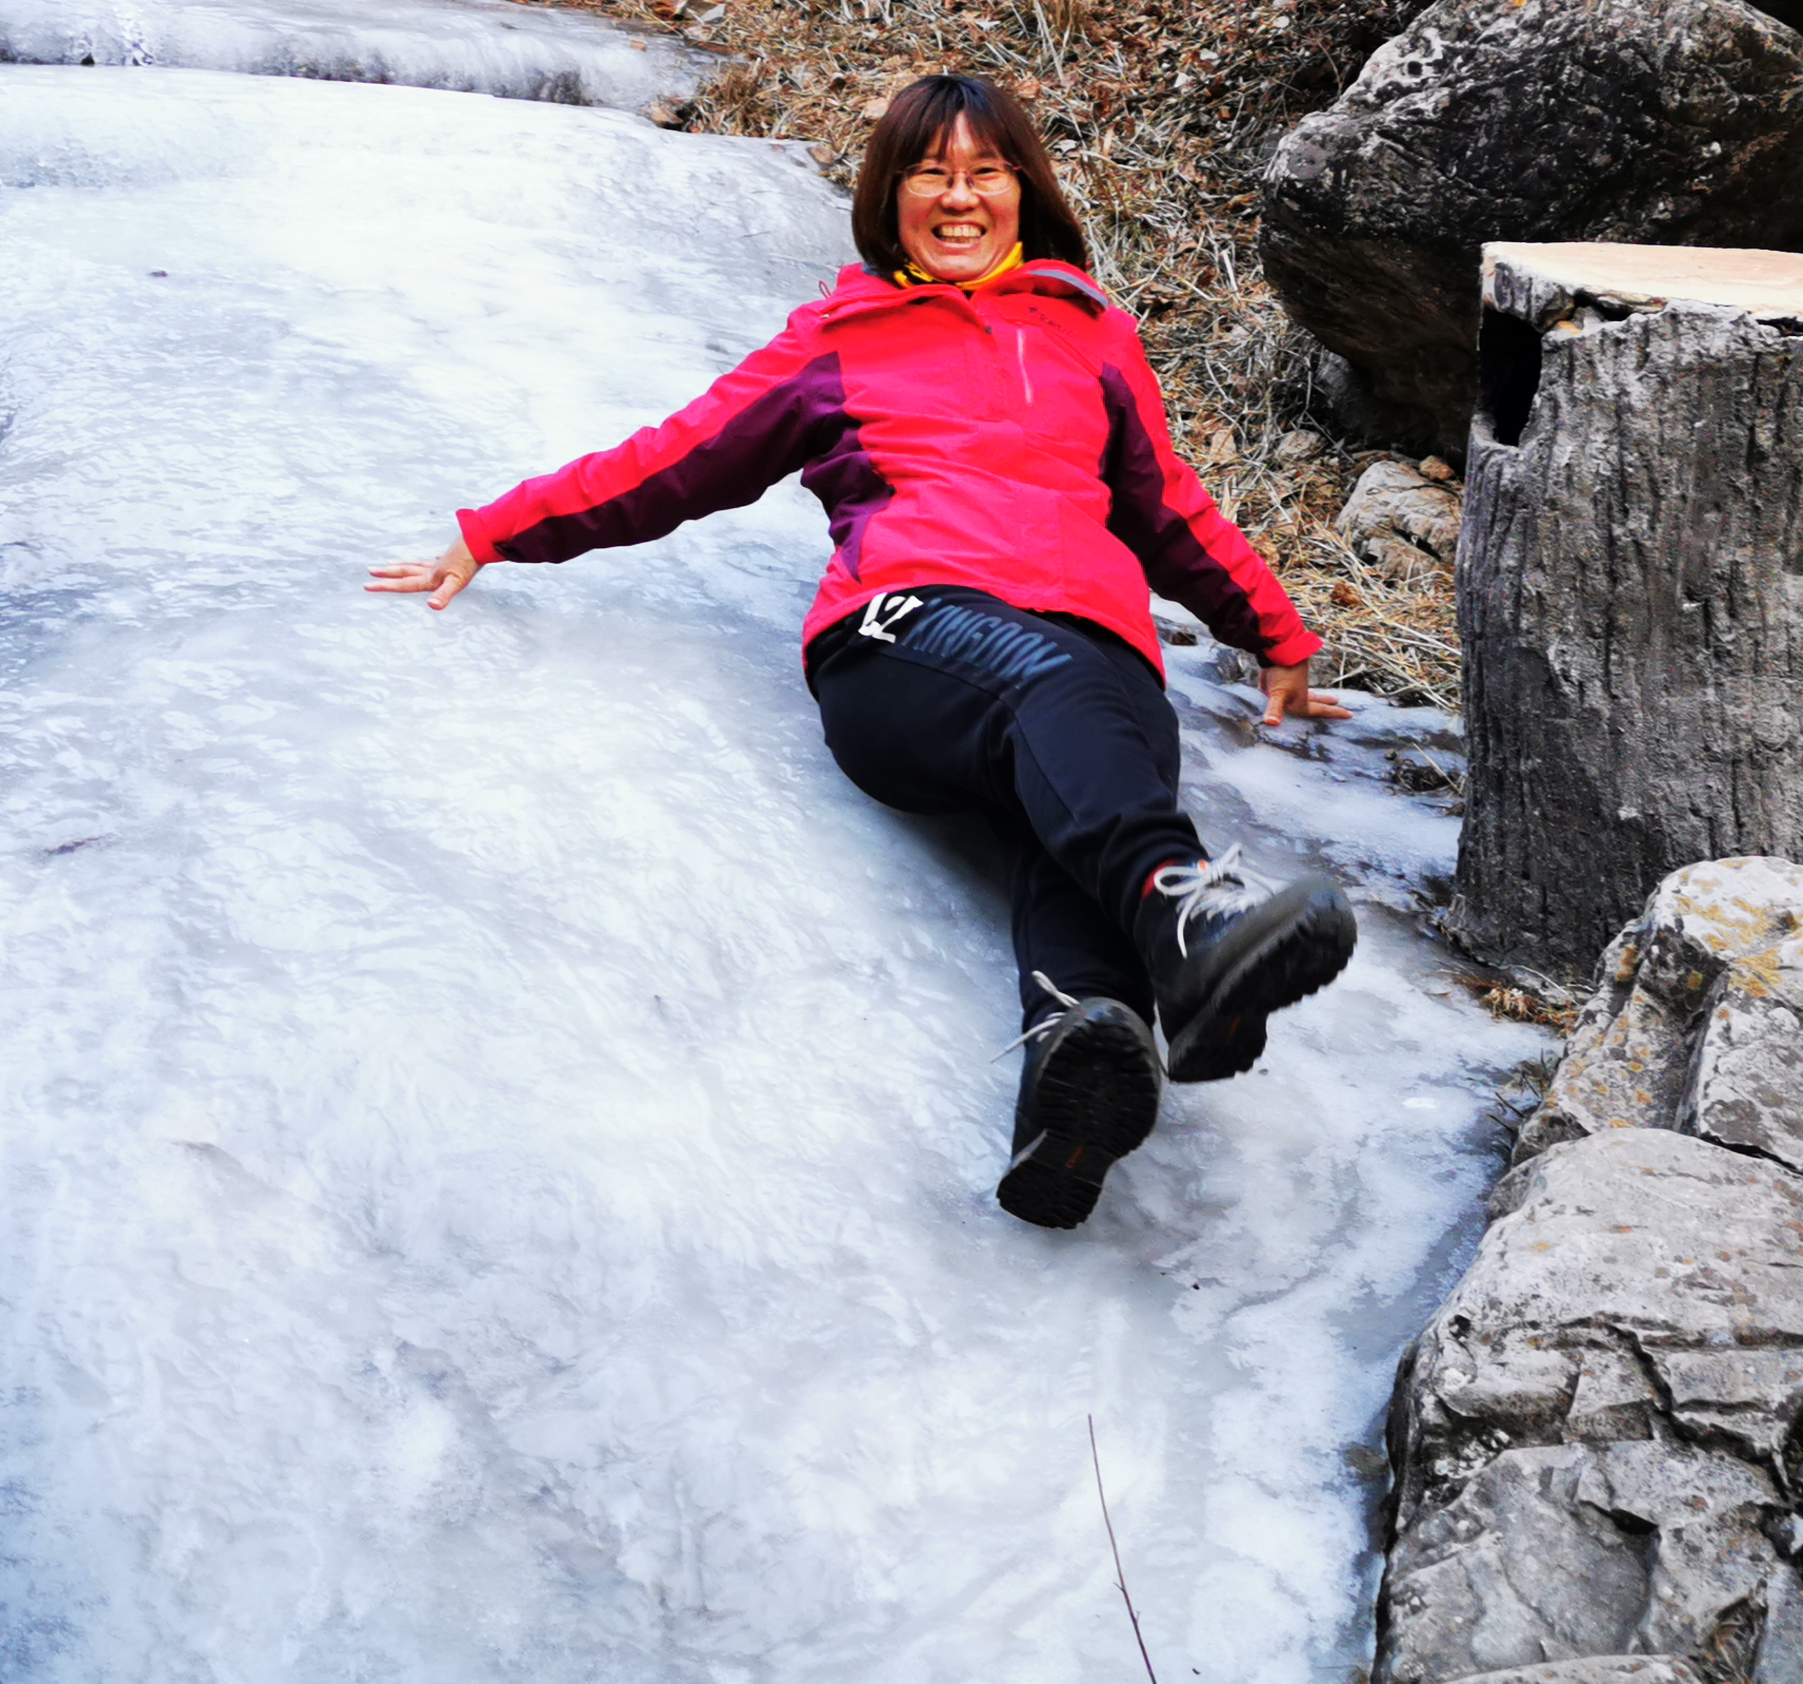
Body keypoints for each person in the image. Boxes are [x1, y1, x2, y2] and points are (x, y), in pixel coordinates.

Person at [369, 74, 1358, 1229]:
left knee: (1084, 782)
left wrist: (1277, 634)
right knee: (1058, 709)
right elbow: (676, 460)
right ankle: (1183, 915)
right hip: (912, 639)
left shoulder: (1089, 331)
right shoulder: (840, 341)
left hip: (1097, 651)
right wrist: (494, 532)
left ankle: (1073, 1078)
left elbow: (1164, 505)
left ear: (1023, 192)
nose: (958, 197)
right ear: (887, 200)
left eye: (985, 172)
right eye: (927, 173)